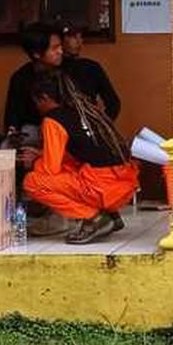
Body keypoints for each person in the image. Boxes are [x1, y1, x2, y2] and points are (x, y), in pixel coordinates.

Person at [20, 72, 138, 245]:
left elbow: (50, 169)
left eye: (36, 102)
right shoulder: (87, 110)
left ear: (44, 98)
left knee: (33, 181)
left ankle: (94, 217)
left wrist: (35, 161)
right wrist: (42, 154)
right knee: (68, 166)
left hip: (102, 187)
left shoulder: (53, 119)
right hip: (125, 183)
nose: (37, 108)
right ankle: (111, 215)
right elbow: (83, 152)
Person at [4, 22, 65, 150]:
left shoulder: (71, 73)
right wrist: (13, 132)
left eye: (60, 46)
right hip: (31, 134)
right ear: (36, 53)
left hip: (64, 132)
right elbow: (12, 117)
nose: (60, 51)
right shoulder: (20, 78)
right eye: (54, 48)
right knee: (7, 148)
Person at [58, 24, 121, 120]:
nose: (79, 42)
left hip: (86, 124)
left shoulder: (91, 67)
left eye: (81, 37)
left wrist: (101, 125)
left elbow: (113, 103)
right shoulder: (50, 68)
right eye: (73, 37)